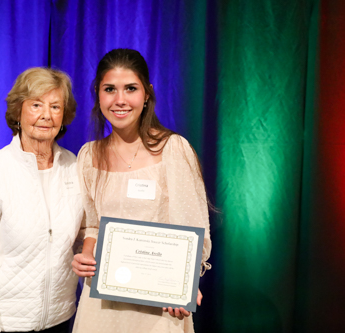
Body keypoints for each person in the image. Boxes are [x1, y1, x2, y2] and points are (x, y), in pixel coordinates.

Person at [71, 49, 212, 333]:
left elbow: (194, 231)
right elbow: (92, 226)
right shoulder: (88, 155)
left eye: (130, 89)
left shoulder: (173, 149)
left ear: (147, 94)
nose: (119, 100)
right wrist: (85, 256)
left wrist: (184, 285)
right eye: (109, 89)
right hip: (101, 307)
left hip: (158, 308)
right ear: (98, 94)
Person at [0, 67, 84, 333]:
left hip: (61, 318)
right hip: (6, 322)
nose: (46, 115)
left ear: (64, 116)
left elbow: (80, 240)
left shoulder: (76, 167)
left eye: (55, 107)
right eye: (36, 105)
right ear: (18, 111)